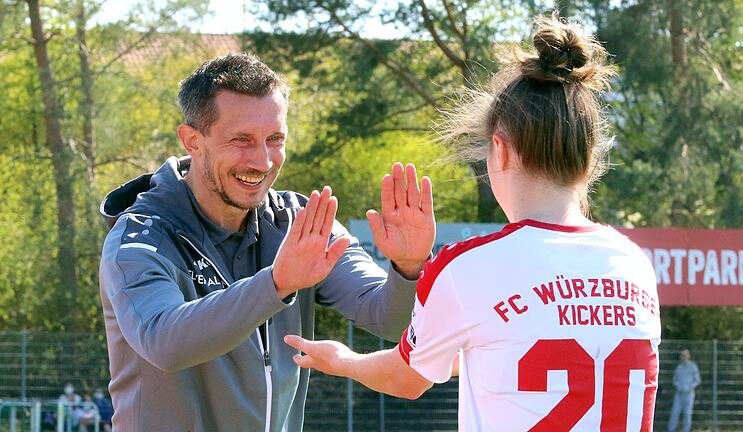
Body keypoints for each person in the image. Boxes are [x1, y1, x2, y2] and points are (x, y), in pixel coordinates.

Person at [284, 14, 662, 432]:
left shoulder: (468, 267)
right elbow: (526, 348)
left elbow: (406, 379)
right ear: (591, 159)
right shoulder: (633, 263)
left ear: (498, 150)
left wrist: (344, 361)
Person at [98, 53, 435, 431]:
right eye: (241, 140)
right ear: (192, 140)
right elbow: (164, 341)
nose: (261, 161)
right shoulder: (139, 238)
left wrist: (410, 268)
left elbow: (387, 318)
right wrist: (276, 284)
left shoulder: (298, 221)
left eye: (275, 139)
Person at [668, 349, 701, 432]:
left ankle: (686, 430)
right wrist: (678, 386)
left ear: (689, 356)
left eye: (685, 355)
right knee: (675, 413)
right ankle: (671, 430)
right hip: (679, 394)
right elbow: (674, 380)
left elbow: (697, 380)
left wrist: (689, 387)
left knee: (687, 414)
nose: (684, 357)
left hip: (689, 394)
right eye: (682, 355)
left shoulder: (693, 366)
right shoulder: (679, 367)